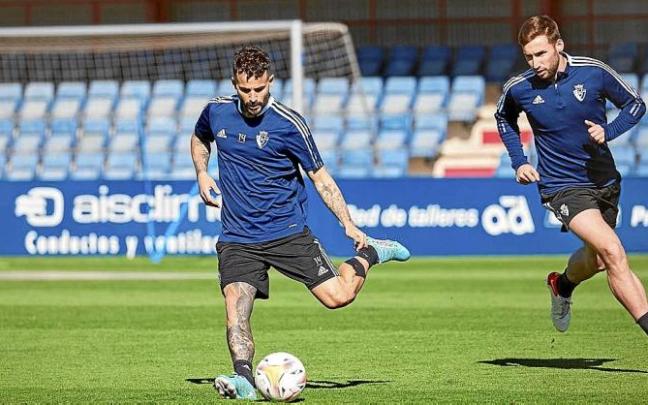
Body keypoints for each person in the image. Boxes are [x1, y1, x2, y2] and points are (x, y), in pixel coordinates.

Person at [191, 45, 410, 400]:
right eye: (245, 90)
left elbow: (321, 179)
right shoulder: (216, 112)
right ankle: (243, 378)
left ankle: (370, 254)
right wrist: (201, 172)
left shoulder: (289, 124)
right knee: (236, 305)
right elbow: (200, 138)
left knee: (338, 297)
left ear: (271, 82)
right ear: (235, 84)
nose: (252, 97)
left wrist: (349, 225)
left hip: (286, 232)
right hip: (237, 236)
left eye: (259, 89)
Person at [495, 15, 648, 336]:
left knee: (599, 260)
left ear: (558, 46)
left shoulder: (593, 71)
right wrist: (519, 161)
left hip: (604, 181)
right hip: (561, 186)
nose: (535, 63)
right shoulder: (519, 88)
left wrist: (610, 130)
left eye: (541, 54)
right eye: (529, 56)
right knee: (613, 251)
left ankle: (561, 285)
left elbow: (635, 105)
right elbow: (504, 118)